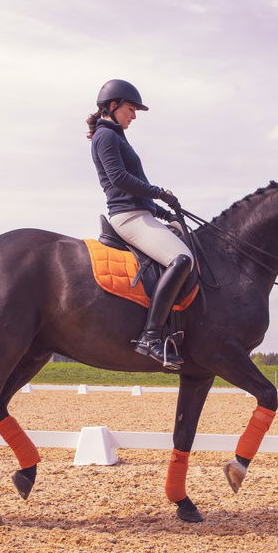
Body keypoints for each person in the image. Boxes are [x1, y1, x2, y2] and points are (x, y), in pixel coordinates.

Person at [87, 79, 193, 370]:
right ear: (113, 106)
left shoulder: (117, 136)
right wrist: (159, 192)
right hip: (128, 218)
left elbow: (134, 189)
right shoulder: (106, 136)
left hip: (139, 213)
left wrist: (163, 212)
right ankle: (151, 337)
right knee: (181, 259)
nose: (134, 116)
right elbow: (120, 180)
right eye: (131, 109)